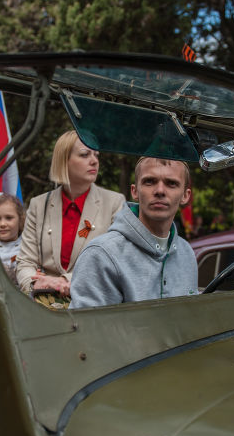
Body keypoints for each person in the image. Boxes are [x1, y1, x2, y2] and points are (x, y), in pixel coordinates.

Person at [69, 157, 198, 309]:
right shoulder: (101, 255)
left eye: (171, 183)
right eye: (150, 181)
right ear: (135, 191)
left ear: (185, 196)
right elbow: (87, 328)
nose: (160, 191)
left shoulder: (186, 253)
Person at [16, 130, 125, 297]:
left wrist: (66, 281)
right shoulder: (39, 205)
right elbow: (25, 262)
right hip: (43, 303)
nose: (94, 161)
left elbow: (115, 261)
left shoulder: (115, 203)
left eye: (96, 155)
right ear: (64, 160)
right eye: (84, 155)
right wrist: (34, 283)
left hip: (93, 303)